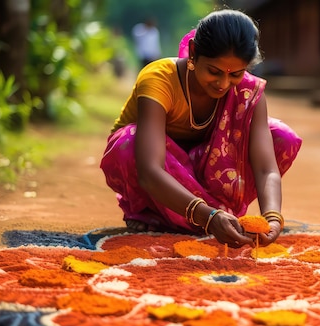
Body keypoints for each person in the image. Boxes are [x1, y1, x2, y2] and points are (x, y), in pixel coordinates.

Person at [100, 9, 302, 248]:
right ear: (194, 52)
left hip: (206, 168)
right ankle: (154, 212)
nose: (223, 84)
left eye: (235, 74)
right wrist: (208, 216)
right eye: (214, 71)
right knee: (129, 142)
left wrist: (272, 218)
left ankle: (210, 213)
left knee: (281, 137)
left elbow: (266, 168)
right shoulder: (159, 80)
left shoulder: (248, 92)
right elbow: (149, 170)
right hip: (159, 169)